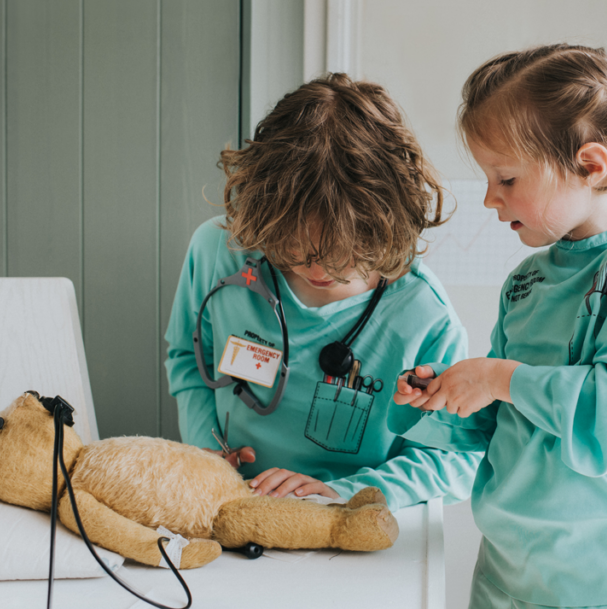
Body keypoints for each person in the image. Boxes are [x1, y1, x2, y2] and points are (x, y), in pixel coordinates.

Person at [391, 44, 607, 608]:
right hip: (510, 566)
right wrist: (443, 397)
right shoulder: (526, 281)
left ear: (590, 164)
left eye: (506, 178)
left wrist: (499, 377)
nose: (489, 198)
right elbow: (506, 425)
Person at [165, 73, 481, 510]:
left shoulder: (423, 315)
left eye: (341, 252)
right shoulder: (221, 251)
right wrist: (207, 453)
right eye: (294, 243)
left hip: (347, 522)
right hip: (231, 503)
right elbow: (188, 358)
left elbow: (453, 461)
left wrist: (343, 493)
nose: (316, 268)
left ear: (385, 225)